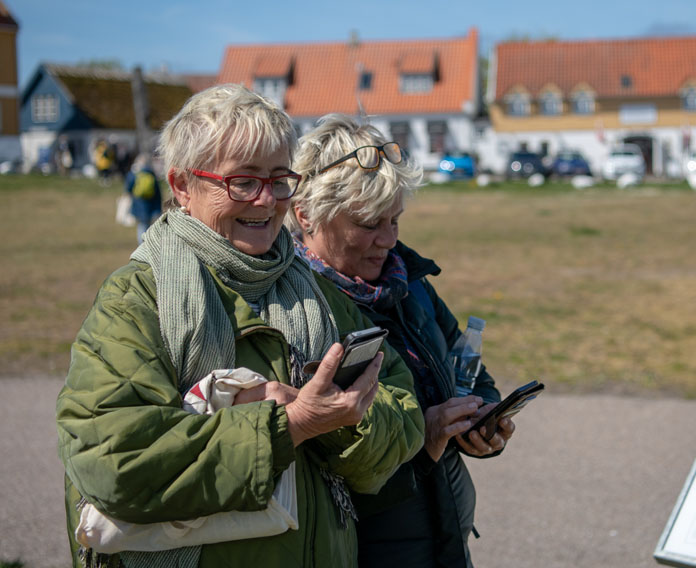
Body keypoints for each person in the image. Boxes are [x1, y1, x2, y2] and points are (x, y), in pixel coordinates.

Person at [56, 86, 424, 568]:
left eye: (278, 179)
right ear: (182, 186)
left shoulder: (316, 292)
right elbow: (112, 459)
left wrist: (338, 421)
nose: (266, 200)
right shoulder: (136, 301)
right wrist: (288, 426)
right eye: (243, 182)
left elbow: (404, 413)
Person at [288, 114, 515, 568]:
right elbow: (324, 467)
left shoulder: (407, 281)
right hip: (371, 550)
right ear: (307, 214)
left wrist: (483, 419)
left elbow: (467, 368)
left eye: (395, 220)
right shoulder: (299, 311)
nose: (388, 240)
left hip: (445, 535)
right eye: (370, 222)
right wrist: (423, 438)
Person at [124, 153, 163, 244]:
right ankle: (149, 244)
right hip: (152, 206)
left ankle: (142, 245)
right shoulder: (152, 175)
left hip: (139, 205)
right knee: (150, 227)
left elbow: (128, 187)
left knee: (142, 226)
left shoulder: (135, 175)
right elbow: (158, 193)